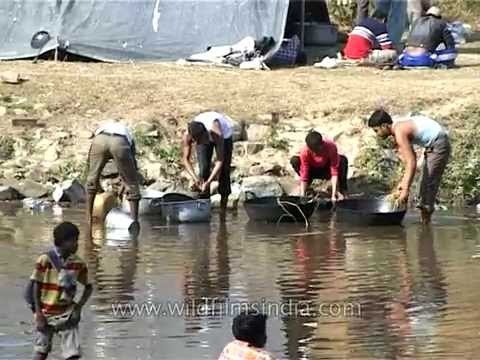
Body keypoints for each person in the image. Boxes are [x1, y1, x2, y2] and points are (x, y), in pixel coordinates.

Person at [367, 109, 451, 224]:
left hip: (438, 143)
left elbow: (412, 161)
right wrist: (401, 185)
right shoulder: (399, 127)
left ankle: (425, 227)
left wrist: (406, 189)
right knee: (423, 186)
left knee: (427, 187)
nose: (377, 134)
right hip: (432, 144)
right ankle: (425, 224)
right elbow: (408, 162)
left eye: (376, 130)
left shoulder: (399, 131)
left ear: (384, 125)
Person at [31, 222, 93, 360]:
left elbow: (89, 286)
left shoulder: (78, 263)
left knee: (72, 354)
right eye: (73, 241)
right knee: (41, 351)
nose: (77, 244)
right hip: (46, 312)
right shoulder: (45, 260)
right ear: (62, 242)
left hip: (66, 313)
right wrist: (38, 312)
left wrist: (78, 307)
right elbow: (36, 285)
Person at [86, 121, 140, 228]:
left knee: (91, 180)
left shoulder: (102, 129)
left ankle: (88, 220)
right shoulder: (127, 133)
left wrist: (97, 185)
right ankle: (134, 222)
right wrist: (126, 182)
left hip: (100, 141)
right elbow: (132, 165)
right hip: (120, 142)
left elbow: (89, 162)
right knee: (133, 184)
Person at [182, 111, 234, 213]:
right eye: (198, 142)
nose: (203, 142)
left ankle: (222, 210)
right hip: (202, 133)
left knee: (224, 171)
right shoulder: (188, 135)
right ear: (193, 139)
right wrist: (196, 179)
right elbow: (185, 159)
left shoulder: (216, 131)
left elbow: (220, 160)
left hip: (225, 136)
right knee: (203, 170)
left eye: (203, 140)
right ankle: (204, 209)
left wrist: (209, 181)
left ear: (205, 133)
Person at [290, 131, 348, 203]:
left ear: (322, 144)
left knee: (343, 160)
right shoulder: (305, 151)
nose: (315, 153)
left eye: (317, 150)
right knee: (295, 160)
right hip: (313, 171)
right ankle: (307, 188)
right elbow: (304, 172)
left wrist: (333, 195)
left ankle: (342, 190)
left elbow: (334, 171)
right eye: (312, 151)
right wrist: (302, 195)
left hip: (326, 170)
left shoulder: (331, 147)